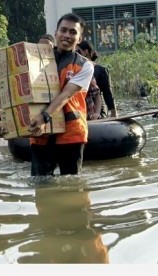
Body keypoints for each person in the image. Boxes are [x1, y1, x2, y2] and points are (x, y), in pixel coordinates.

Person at [28, 13, 94, 176]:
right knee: (40, 186)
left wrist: (44, 117)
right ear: (56, 33)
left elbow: (66, 94)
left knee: (71, 186)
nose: (67, 35)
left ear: (79, 38)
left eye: (73, 32)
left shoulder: (85, 66)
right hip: (40, 131)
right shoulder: (36, 61)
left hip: (71, 133)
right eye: (63, 30)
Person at [77, 40, 117, 118]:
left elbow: (107, 93)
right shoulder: (76, 69)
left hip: (96, 112)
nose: (76, 54)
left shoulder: (100, 70)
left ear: (85, 52)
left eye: (78, 51)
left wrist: (113, 113)